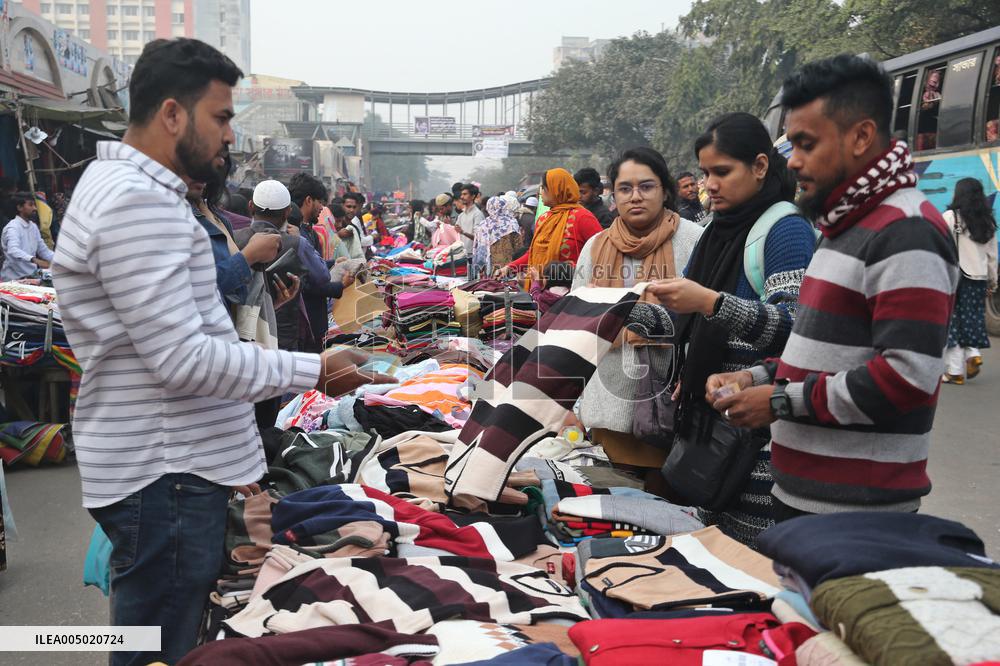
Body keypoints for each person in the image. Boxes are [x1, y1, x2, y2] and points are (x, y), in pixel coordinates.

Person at [50, 38, 388, 666]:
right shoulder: (136, 201)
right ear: (173, 115)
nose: (231, 136)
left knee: (152, 638)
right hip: (165, 473)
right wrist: (313, 369)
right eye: (223, 117)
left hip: (165, 469)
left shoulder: (130, 188)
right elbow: (184, 360)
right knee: (164, 649)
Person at [705, 54, 959, 522]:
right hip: (806, 499)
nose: (794, 160)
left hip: (854, 511)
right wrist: (757, 378)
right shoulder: (844, 225)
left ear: (861, 136)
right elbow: (826, 351)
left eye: (805, 143)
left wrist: (781, 401)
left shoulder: (905, 230)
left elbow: (906, 378)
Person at [647, 112, 816, 545]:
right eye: (705, 174)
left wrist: (711, 303)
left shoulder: (786, 230)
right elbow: (683, 321)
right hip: (715, 429)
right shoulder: (716, 232)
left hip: (760, 439)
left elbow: (796, 331)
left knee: (755, 564)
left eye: (722, 172)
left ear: (760, 166)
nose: (710, 185)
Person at [573, 147, 704, 492]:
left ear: (665, 190)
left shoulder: (694, 241)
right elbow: (577, 323)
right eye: (625, 188)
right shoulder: (595, 246)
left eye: (646, 187)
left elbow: (709, 316)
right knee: (613, 510)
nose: (635, 197)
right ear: (613, 194)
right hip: (607, 400)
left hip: (669, 402)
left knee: (664, 507)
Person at [289, 172, 355, 352]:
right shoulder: (295, 236)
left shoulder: (309, 232)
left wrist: (333, 262)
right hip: (305, 323)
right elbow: (306, 283)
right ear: (309, 200)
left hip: (315, 321)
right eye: (320, 202)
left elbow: (313, 267)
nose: (322, 208)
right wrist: (340, 285)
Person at [506, 168, 603, 288]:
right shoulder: (543, 219)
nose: (540, 193)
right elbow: (533, 253)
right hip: (538, 292)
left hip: (569, 292)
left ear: (556, 190)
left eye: (544, 188)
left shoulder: (583, 217)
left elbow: (603, 253)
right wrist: (509, 268)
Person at [941, 177, 997, 384]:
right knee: (972, 317)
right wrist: (992, 281)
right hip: (979, 277)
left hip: (956, 277)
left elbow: (938, 244)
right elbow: (992, 255)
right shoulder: (987, 220)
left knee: (952, 320)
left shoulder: (950, 217)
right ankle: (973, 354)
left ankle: (954, 371)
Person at [1, 192, 53, 281]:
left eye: (34, 205)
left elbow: (44, 251)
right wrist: (35, 260)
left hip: (33, 274)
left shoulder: (33, 226)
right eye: (31, 205)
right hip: (14, 278)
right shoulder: (13, 227)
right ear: (19, 207)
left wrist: (61, 260)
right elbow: (13, 250)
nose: (35, 208)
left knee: (58, 278)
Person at [472, 195, 522, 278]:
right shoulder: (511, 223)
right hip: (509, 266)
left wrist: (478, 268)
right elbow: (519, 247)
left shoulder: (483, 225)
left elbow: (477, 249)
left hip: (488, 268)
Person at [457, 182, 484, 255]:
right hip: (462, 254)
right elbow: (457, 233)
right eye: (462, 194)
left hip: (474, 254)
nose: (462, 197)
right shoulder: (461, 215)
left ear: (472, 196)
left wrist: (463, 232)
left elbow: (479, 237)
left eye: (465, 194)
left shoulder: (477, 214)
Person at [512, 195, 538, 260]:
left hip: (517, 250)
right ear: (535, 208)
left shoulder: (517, 215)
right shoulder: (533, 219)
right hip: (527, 250)